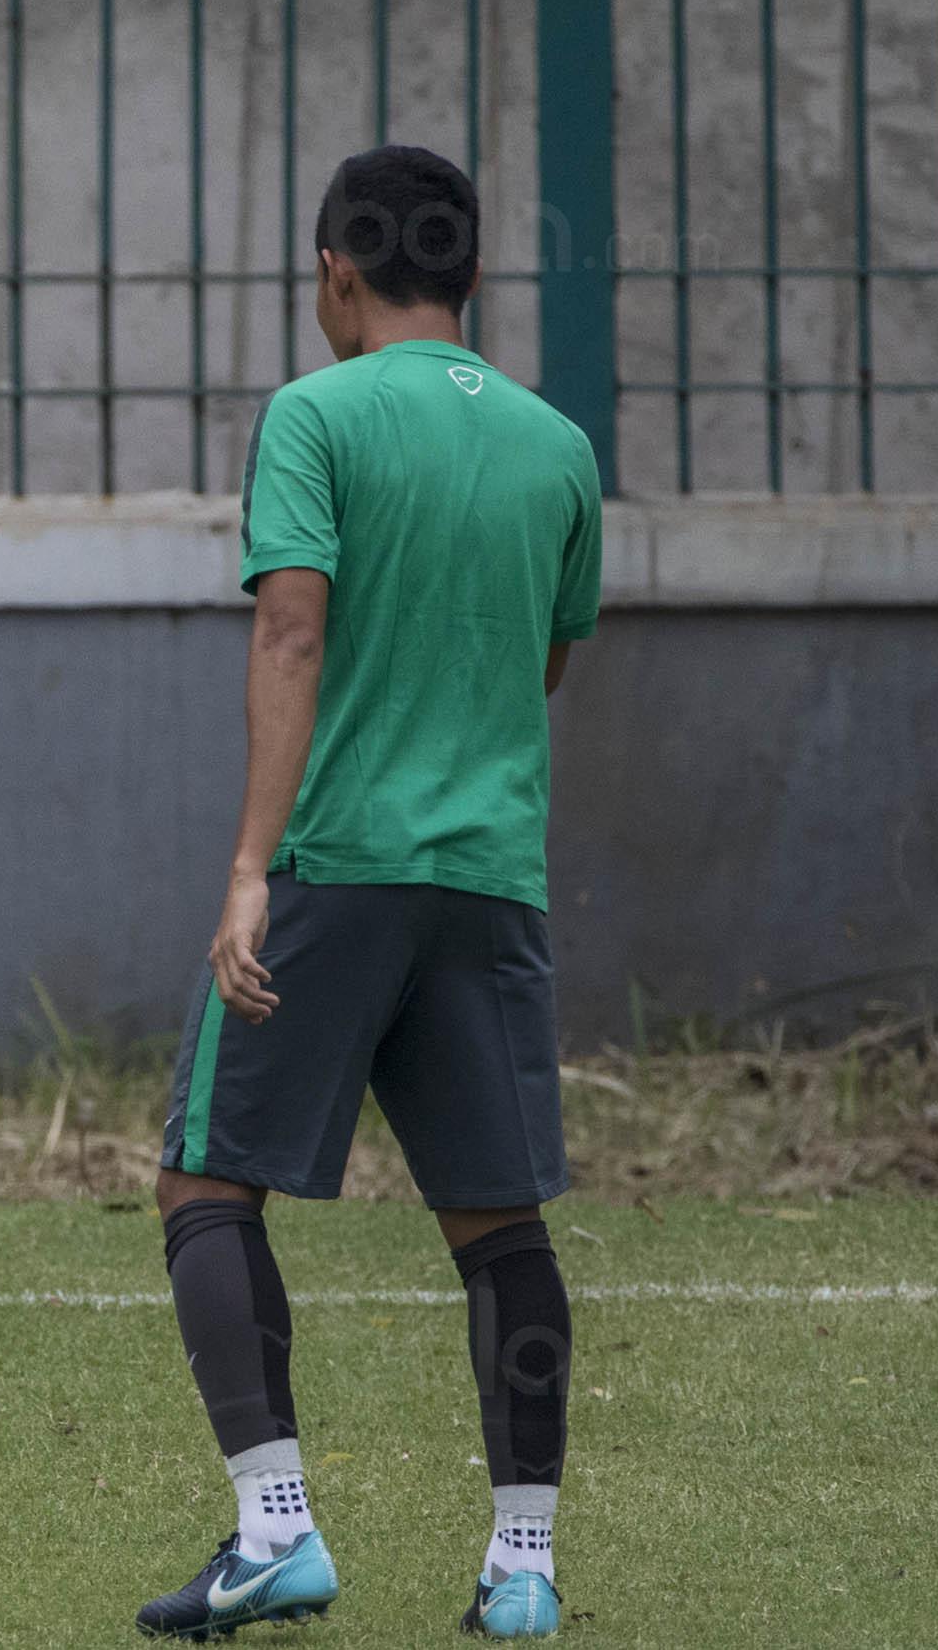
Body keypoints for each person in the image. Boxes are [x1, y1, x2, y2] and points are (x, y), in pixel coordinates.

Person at [134, 145, 599, 1642]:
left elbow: (291, 635)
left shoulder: (317, 414)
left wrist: (251, 872)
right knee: (499, 1227)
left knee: (207, 1183)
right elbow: (544, 664)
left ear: (337, 273)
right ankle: (520, 1568)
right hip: (492, 882)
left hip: (338, 869)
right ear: (473, 278)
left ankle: (276, 1528)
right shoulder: (556, 446)